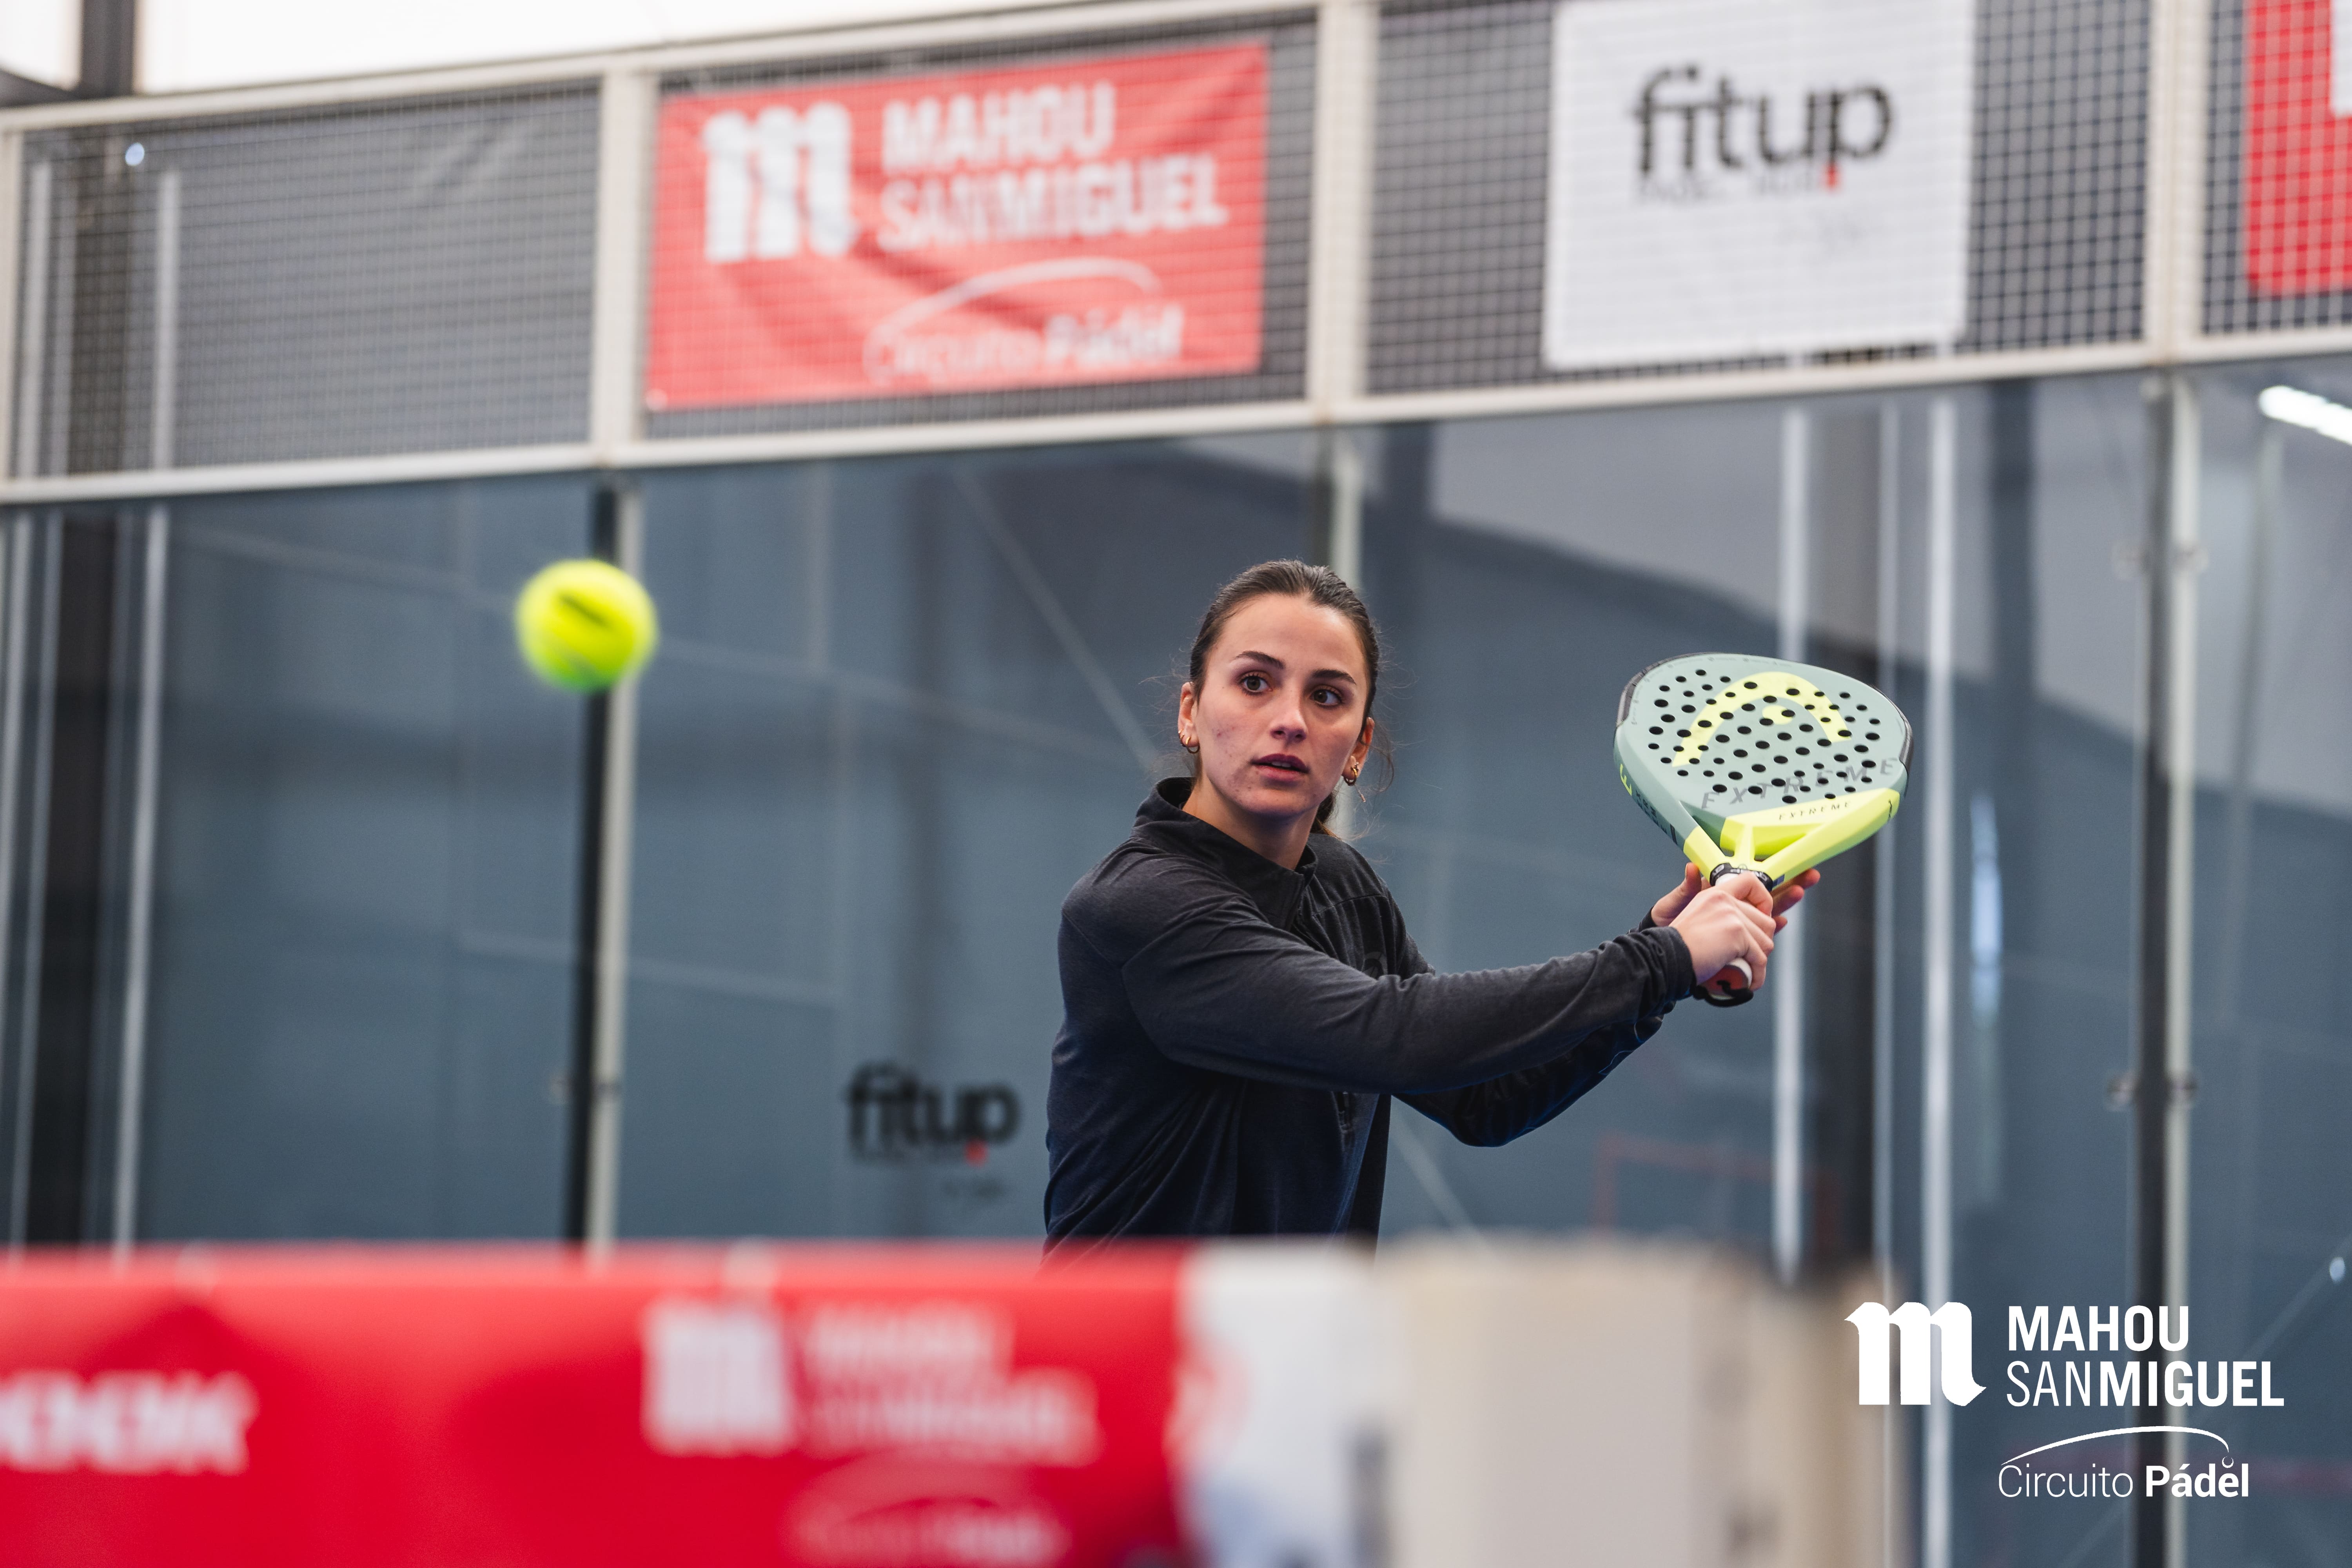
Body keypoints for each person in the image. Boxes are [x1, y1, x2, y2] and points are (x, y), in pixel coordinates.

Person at [1042, 560, 1813, 1247]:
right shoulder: (1137, 907)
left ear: (1359, 746)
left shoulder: (1343, 886)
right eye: (1254, 683)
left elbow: (1486, 1098)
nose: (1290, 720)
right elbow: (1394, 1033)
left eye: (1327, 696)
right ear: (1190, 712)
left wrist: (1666, 960)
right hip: (1118, 1357)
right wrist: (1662, 958)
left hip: (1294, 1356)